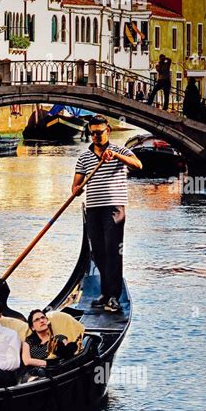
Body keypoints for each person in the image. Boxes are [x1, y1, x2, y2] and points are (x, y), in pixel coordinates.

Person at [72, 115, 142, 313]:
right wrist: (76, 190)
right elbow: (75, 185)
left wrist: (116, 156)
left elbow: (138, 165)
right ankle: (105, 292)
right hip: (93, 209)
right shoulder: (84, 157)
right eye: (92, 133)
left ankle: (113, 297)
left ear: (108, 131)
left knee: (113, 252)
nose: (95, 136)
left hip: (114, 208)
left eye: (99, 132)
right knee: (98, 253)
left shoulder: (120, 150)